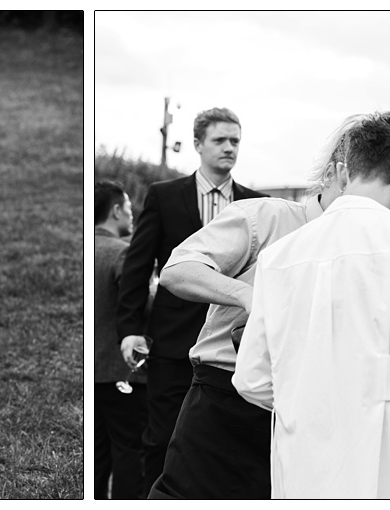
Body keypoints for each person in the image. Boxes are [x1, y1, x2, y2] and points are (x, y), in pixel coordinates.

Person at [233, 111, 390, 498]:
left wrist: (310, 396)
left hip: (303, 459)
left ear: (346, 171)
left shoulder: (279, 255)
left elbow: (250, 379)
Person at [146, 126, 350, 499]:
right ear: (339, 173)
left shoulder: (366, 251)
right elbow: (177, 269)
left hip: (304, 416)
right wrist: (248, 295)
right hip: (224, 405)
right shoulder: (262, 216)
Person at [117, 107, 265, 495]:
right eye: (219, 140)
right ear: (198, 145)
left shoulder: (257, 205)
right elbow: (139, 265)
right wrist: (130, 330)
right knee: (163, 440)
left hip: (230, 350)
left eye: (235, 141)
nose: (229, 148)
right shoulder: (164, 195)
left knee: (223, 450)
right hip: (171, 341)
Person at [92, 181, 146, 499]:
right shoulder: (122, 252)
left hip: (92, 372)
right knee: (128, 452)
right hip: (121, 372)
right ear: (115, 211)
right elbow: (138, 305)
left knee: (98, 457)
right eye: (128, 208)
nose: (131, 215)